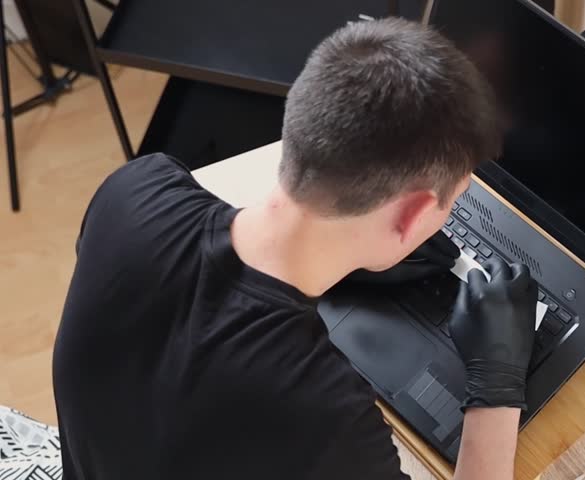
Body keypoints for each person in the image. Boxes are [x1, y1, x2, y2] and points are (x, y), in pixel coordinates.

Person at [53, 18, 538, 480]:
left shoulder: (134, 191)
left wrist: (349, 259)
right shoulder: (326, 417)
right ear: (412, 214)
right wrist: (496, 382)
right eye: (453, 201)